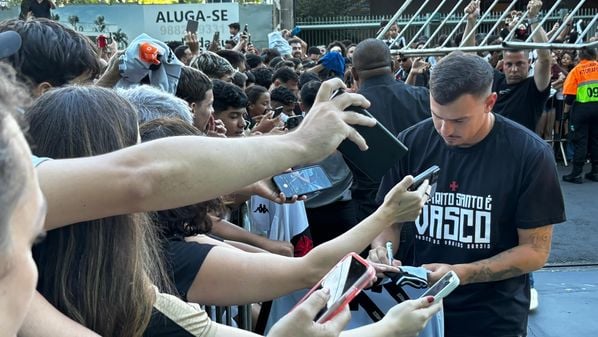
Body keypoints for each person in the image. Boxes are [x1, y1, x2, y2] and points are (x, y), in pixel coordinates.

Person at [370, 52, 566, 337]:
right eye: (437, 116)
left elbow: (535, 251)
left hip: (492, 317)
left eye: (459, 121)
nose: (446, 130)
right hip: (415, 310)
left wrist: (462, 273)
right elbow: (388, 220)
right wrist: (382, 249)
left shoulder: (530, 155)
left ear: (490, 103)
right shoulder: (412, 142)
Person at [561, 47, 598, 183]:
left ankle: (576, 173)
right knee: (596, 139)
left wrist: (565, 113)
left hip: (582, 108)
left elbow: (570, 96)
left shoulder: (576, 71)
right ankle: (595, 171)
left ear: (580, 56)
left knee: (580, 140)